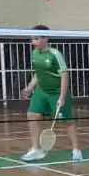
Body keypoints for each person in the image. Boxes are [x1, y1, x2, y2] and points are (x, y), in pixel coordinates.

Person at [21, 25, 83, 162]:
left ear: (45, 38)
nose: (33, 42)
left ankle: (76, 150)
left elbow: (65, 75)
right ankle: (36, 148)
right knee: (32, 115)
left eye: (36, 39)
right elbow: (38, 73)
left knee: (66, 120)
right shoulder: (35, 54)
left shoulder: (55, 54)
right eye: (32, 39)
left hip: (56, 92)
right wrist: (30, 88)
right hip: (41, 91)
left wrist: (61, 97)